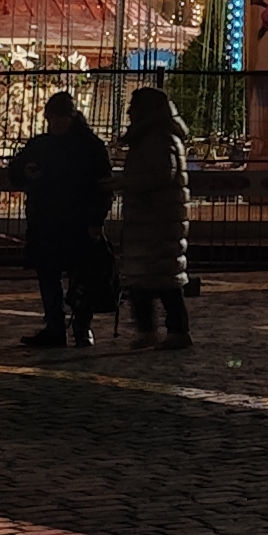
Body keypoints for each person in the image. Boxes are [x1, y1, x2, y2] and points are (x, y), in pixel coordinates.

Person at [10, 92, 113, 348]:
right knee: (49, 275)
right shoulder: (42, 144)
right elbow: (16, 170)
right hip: (46, 221)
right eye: (51, 118)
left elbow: (103, 187)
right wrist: (24, 172)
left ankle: (81, 327)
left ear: (71, 117)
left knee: (81, 277)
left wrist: (96, 219)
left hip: (77, 221)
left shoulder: (89, 147)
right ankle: (55, 326)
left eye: (59, 118)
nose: (54, 123)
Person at [112, 88, 194, 349]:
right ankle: (150, 330)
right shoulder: (154, 136)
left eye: (133, 106)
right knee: (144, 279)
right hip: (151, 219)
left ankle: (175, 331)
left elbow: (160, 175)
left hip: (157, 219)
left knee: (162, 279)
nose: (129, 111)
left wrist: (125, 183)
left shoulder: (158, 138)